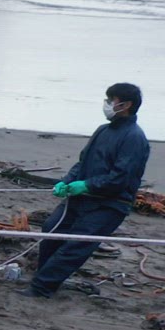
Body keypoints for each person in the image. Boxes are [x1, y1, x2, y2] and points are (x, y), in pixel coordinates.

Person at [29, 82, 151, 298]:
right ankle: (43, 276)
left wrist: (87, 185)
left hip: (110, 204)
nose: (106, 104)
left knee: (77, 244)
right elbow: (82, 162)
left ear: (126, 105)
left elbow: (120, 178)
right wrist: (66, 182)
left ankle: (41, 288)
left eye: (110, 100)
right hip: (81, 198)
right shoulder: (103, 130)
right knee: (51, 228)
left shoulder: (134, 138)